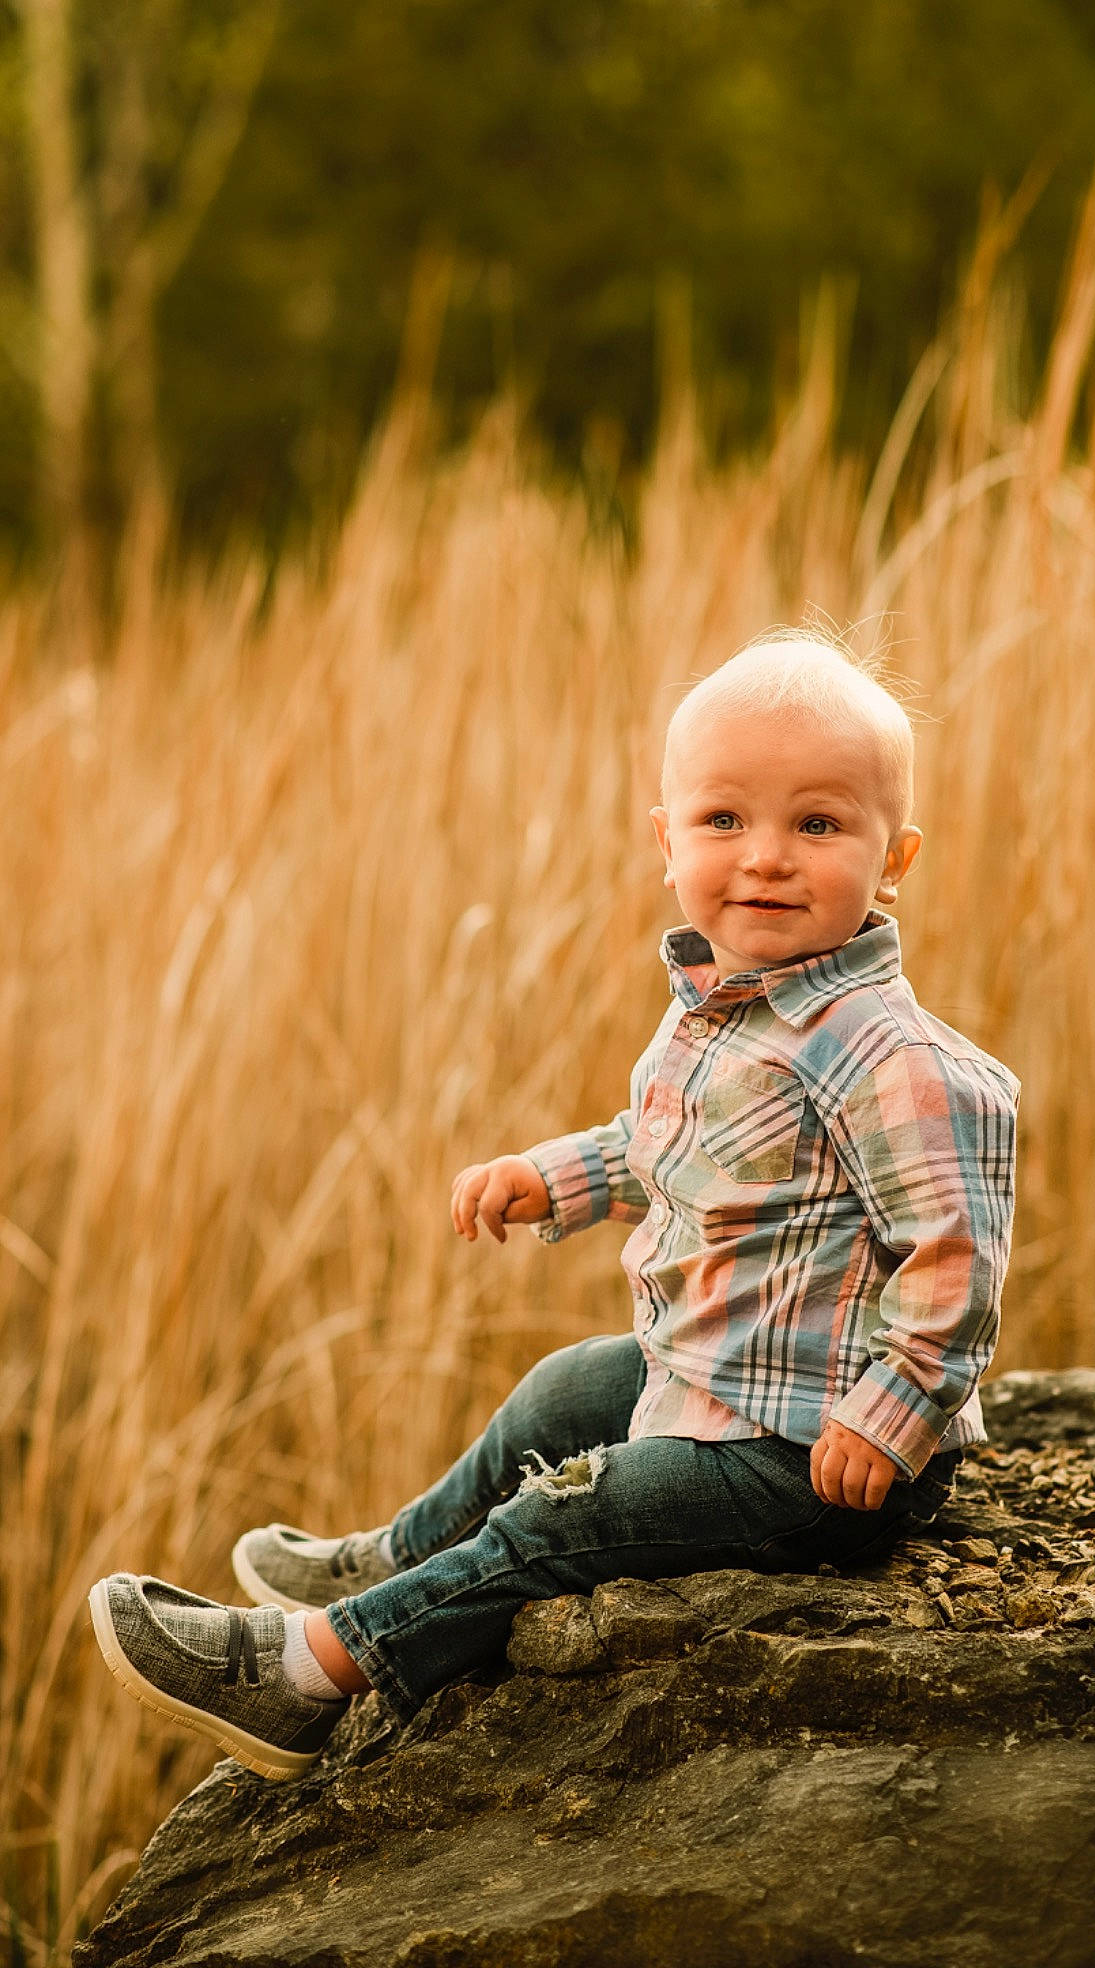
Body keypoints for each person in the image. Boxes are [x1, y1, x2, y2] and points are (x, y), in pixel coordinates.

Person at [88, 628, 1019, 1781]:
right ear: (666, 840)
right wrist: (551, 1176)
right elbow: (665, 1147)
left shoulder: (891, 1059)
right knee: (564, 1388)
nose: (766, 856)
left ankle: (311, 1669)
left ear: (893, 859)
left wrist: (890, 1413)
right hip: (718, 1379)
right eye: (723, 819)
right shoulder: (722, 1007)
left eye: (817, 824)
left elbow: (956, 1259)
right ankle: (396, 1552)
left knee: (580, 1505)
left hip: (817, 1457)